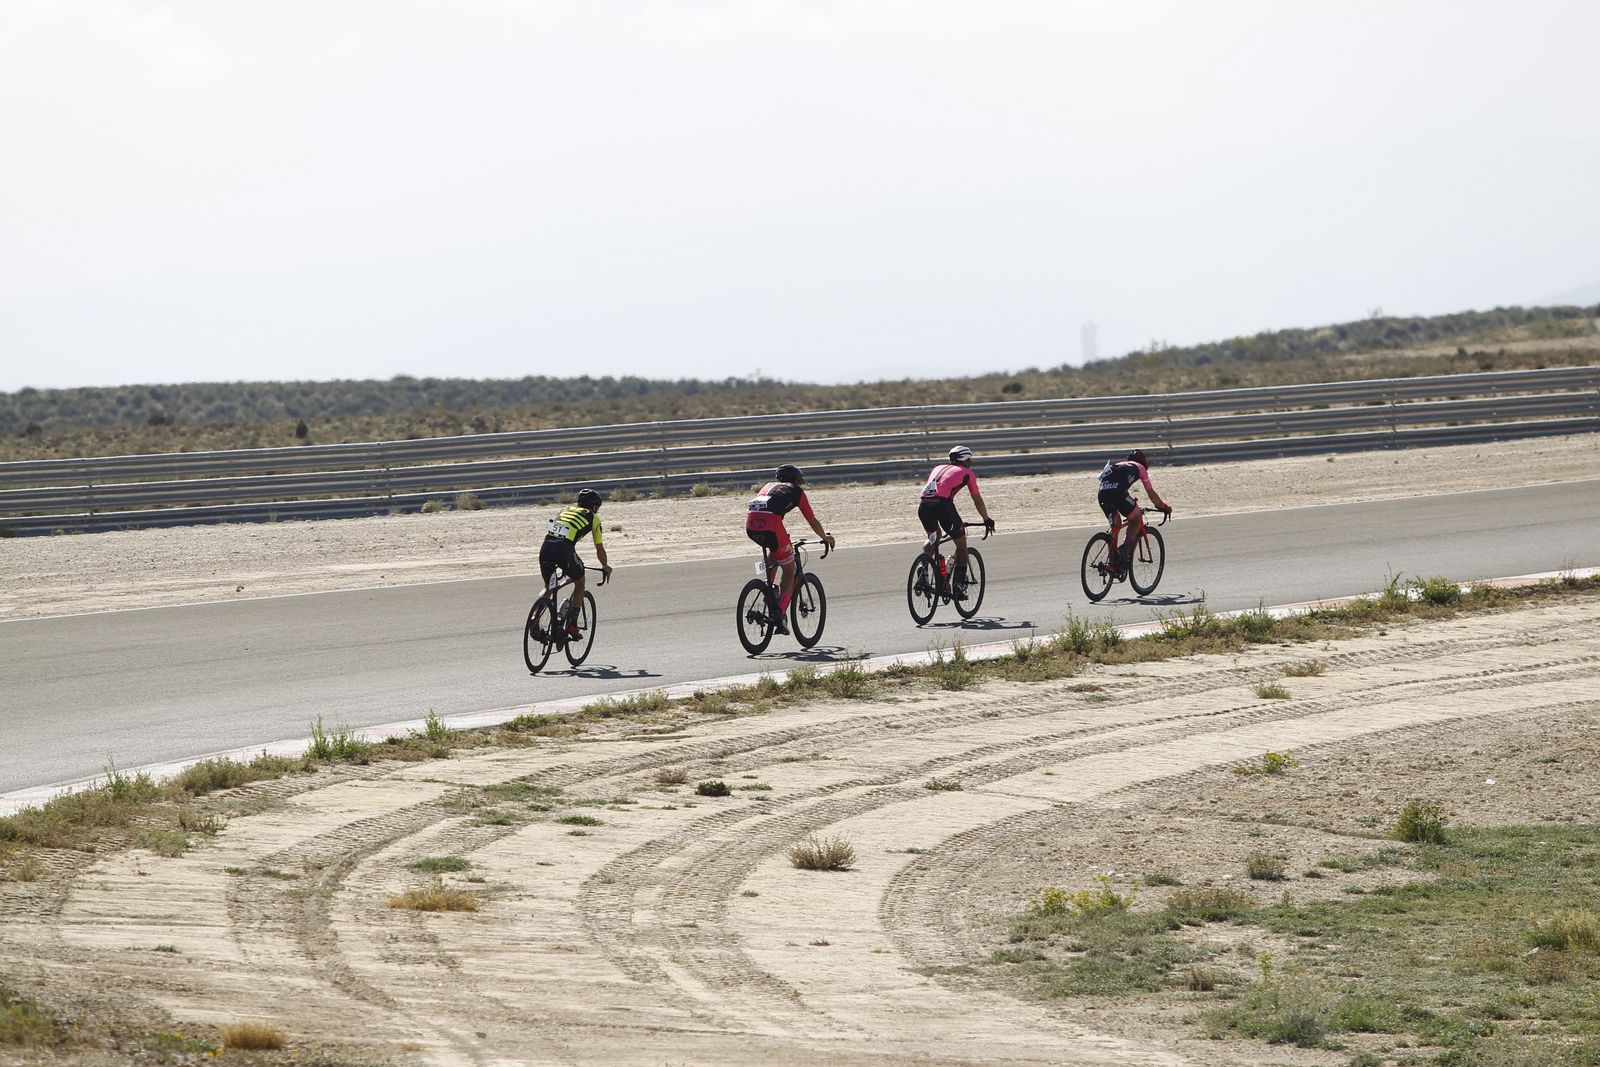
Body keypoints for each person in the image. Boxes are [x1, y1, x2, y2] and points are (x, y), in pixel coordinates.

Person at [746, 464, 835, 635]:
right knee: (789, 569)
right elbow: (812, 521)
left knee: (775, 555)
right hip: (772, 526)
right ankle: (779, 615)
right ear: (796, 479)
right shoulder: (797, 491)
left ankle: (768, 588)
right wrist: (826, 538)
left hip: (751, 526)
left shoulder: (768, 486)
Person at [918, 445, 994, 600]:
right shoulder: (968, 473)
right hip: (943, 506)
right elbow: (977, 500)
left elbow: (938, 489)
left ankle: (923, 567)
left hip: (924, 505)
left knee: (935, 536)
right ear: (966, 461)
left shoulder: (938, 468)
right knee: (961, 545)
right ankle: (958, 585)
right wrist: (986, 519)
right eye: (969, 461)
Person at [541, 488, 613, 638]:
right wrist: (605, 566)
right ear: (594, 507)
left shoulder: (565, 510)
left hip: (546, 546)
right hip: (564, 549)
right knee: (580, 580)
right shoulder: (593, 518)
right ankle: (572, 625)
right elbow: (599, 548)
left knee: (549, 587)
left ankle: (534, 621)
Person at [1097, 449, 1172, 576]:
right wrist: (1163, 507)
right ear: (1144, 462)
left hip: (1102, 494)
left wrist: (1128, 498)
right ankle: (1125, 550)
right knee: (1136, 518)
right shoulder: (1140, 468)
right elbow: (1151, 494)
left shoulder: (1118, 464)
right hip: (1118, 494)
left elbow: (1115, 484)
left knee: (1116, 524)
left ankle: (1113, 561)